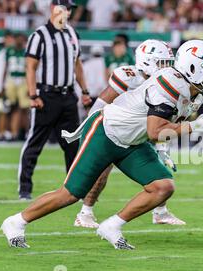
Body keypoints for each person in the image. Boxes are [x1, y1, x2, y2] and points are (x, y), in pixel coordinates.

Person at [1, 39, 203, 250]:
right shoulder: (169, 83)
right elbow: (155, 131)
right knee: (70, 194)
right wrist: (193, 127)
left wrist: (167, 147)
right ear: (193, 68)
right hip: (106, 132)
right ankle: (16, 222)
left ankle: (112, 226)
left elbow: (168, 125)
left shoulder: (196, 93)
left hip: (133, 142)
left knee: (162, 187)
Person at [73, 39, 187, 228]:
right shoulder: (129, 77)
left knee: (158, 170)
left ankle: (160, 212)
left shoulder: (167, 82)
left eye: (168, 63)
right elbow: (100, 104)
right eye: (162, 63)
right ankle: (85, 212)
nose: (166, 68)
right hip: (113, 130)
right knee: (102, 171)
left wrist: (163, 147)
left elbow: (165, 120)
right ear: (146, 61)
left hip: (141, 132)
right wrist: (89, 131)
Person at [18, 0, 92, 200]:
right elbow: (30, 67)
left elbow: (77, 65)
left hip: (68, 96)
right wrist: (33, 94)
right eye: (63, 7)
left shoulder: (73, 34)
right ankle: (25, 189)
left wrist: (85, 91)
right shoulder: (39, 35)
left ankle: (74, 189)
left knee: (73, 145)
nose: (67, 12)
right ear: (53, 8)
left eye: (69, 9)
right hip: (46, 96)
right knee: (35, 142)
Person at [3, 33, 30, 141]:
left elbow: (31, 69)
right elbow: (5, 68)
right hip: (12, 79)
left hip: (23, 80)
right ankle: (13, 133)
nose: (19, 41)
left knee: (24, 109)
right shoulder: (9, 51)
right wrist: (3, 84)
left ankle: (24, 133)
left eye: (21, 39)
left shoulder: (27, 52)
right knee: (12, 108)